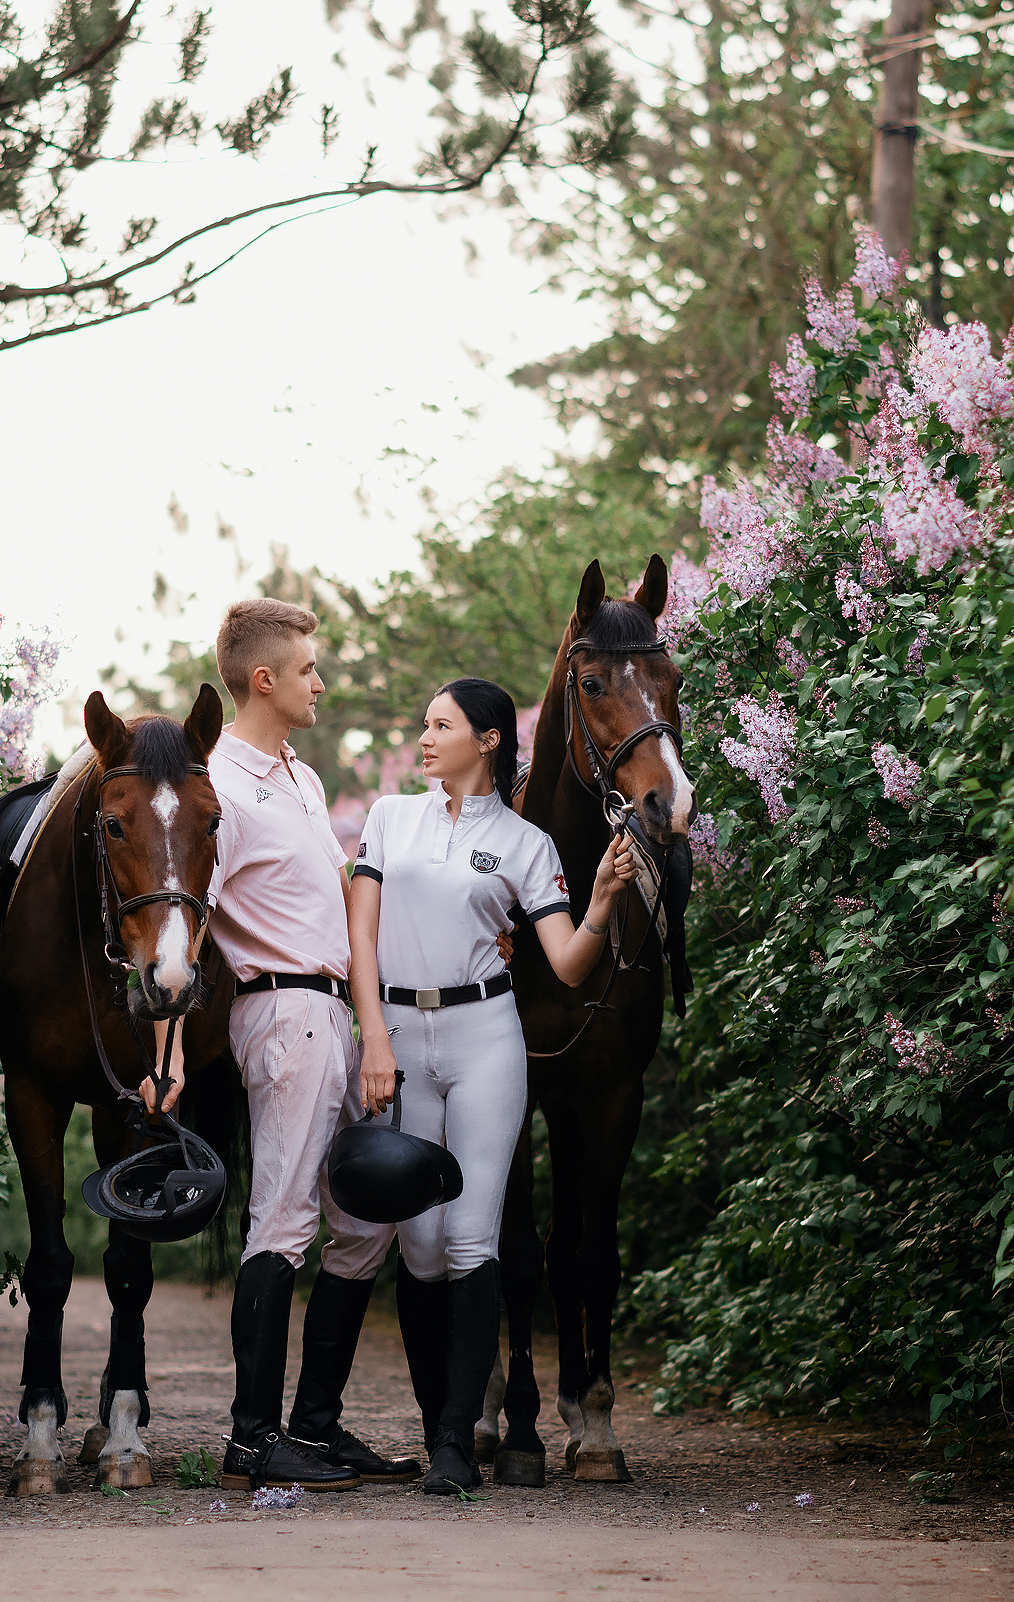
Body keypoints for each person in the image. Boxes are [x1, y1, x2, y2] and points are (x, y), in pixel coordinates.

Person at [345, 677, 634, 1495]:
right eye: (425, 723)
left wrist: (605, 899)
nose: (425, 737)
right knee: (420, 1245)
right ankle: (444, 1416)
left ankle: (447, 1448)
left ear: (490, 740)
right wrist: (373, 1037)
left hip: (485, 1040)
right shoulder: (390, 819)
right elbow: (361, 935)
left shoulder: (525, 844)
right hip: (397, 1035)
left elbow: (569, 965)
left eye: (442, 725)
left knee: (471, 1239)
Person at [161, 598, 419, 1492]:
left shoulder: (299, 779)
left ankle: (314, 1429)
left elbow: (345, 905)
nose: (322, 681)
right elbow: (183, 928)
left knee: (365, 1222)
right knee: (283, 1220)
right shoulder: (219, 789)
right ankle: (249, 1440)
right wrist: (171, 1050)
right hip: (280, 1013)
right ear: (263, 679)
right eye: (309, 668)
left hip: (336, 1016)